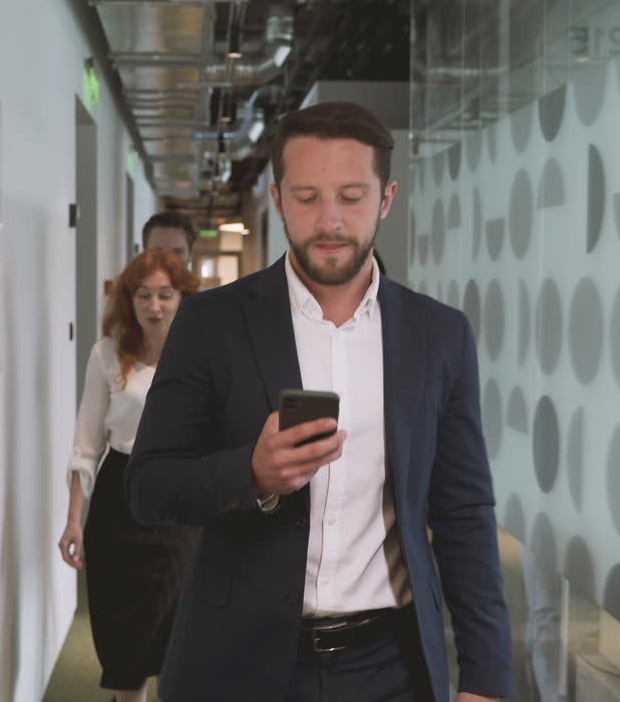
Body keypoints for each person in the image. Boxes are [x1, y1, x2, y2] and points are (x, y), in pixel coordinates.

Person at [125, 101, 513, 702]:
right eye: (307, 198)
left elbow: (463, 512)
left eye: (351, 197)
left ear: (386, 199)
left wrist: (486, 678)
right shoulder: (211, 324)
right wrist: (250, 474)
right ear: (277, 201)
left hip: (393, 667)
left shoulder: (440, 335)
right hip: (236, 665)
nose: (329, 221)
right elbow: (146, 487)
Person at [57, 249, 201, 702]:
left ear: (182, 298)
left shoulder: (201, 356)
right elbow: (86, 446)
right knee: (124, 632)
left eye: (165, 295)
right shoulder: (106, 355)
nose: (154, 306)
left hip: (179, 498)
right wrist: (73, 519)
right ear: (129, 300)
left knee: (179, 624)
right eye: (144, 295)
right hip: (119, 503)